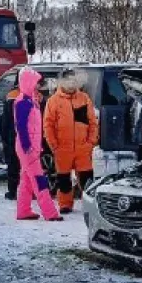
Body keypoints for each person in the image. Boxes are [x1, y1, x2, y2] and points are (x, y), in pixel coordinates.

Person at [43, 68, 99, 213]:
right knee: (63, 179)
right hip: (62, 148)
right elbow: (48, 125)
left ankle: (90, 205)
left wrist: (91, 142)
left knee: (87, 179)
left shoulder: (84, 98)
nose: (71, 84)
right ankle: (65, 204)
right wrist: (54, 145)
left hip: (83, 147)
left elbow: (93, 122)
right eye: (68, 81)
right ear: (62, 82)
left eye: (74, 81)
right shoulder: (53, 101)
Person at [14, 68, 61, 222]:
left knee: (27, 180)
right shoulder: (23, 102)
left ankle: (23, 210)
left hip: (30, 147)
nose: (37, 86)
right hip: (27, 148)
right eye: (35, 83)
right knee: (39, 180)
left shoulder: (29, 101)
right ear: (28, 83)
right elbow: (21, 127)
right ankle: (50, 213)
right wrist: (28, 146)